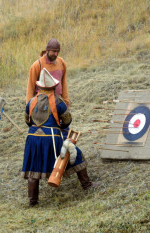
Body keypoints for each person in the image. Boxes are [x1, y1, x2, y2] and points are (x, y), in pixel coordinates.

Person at [22, 68, 97, 207]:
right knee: (76, 154)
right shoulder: (58, 102)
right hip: (51, 137)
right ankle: (87, 185)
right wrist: (58, 127)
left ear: (39, 87)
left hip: (32, 137)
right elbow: (67, 121)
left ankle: (33, 201)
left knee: (34, 165)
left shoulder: (31, 101)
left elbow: (27, 120)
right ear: (54, 87)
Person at [26, 38, 69, 106]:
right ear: (47, 50)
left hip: (58, 103)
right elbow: (30, 88)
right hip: (42, 105)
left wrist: (66, 102)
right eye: (54, 51)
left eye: (58, 51)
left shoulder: (61, 63)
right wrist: (29, 107)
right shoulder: (37, 65)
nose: (56, 54)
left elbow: (64, 84)